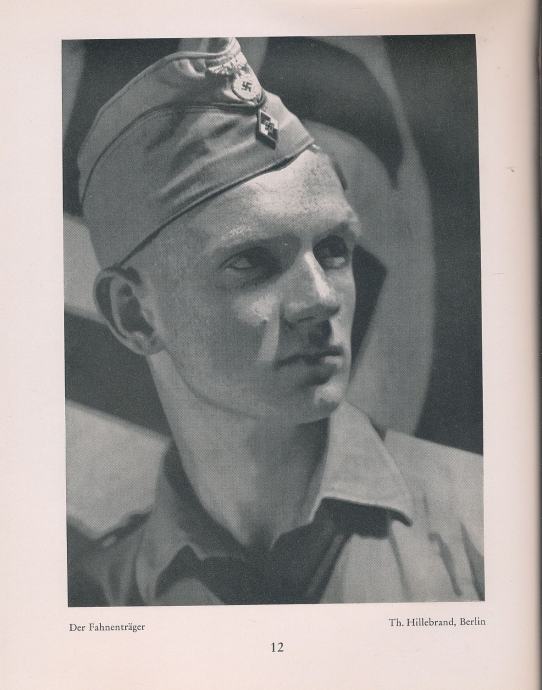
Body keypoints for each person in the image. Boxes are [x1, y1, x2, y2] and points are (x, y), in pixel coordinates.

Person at [68, 37, 483, 606]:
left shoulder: (489, 522)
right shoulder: (96, 597)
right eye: (251, 261)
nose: (321, 298)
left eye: (333, 249)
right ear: (134, 313)